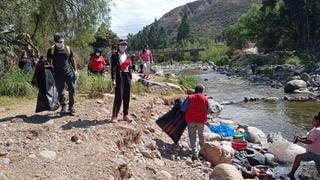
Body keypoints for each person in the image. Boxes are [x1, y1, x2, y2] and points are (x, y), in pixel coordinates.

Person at [181, 84, 215, 160]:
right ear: (202, 91)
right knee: (201, 135)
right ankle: (202, 151)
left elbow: (183, 108)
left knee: (192, 136)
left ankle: (194, 153)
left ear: (195, 91)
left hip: (191, 119)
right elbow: (209, 110)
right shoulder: (205, 98)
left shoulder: (190, 97)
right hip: (201, 120)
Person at [47, 33, 78, 115]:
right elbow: (49, 62)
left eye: (62, 42)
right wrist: (49, 72)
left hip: (69, 73)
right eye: (59, 42)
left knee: (72, 89)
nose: (61, 43)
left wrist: (75, 70)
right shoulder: (51, 50)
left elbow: (72, 59)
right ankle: (63, 107)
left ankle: (71, 107)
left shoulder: (68, 48)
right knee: (60, 91)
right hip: (58, 75)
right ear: (55, 42)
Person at [287, 112, 320, 178]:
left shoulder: (317, 130)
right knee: (319, 169)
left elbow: (310, 141)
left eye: (313, 121)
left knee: (298, 157)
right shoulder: (315, 128)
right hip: (316, 153)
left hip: (314, 154)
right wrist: (299, 138)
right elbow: (308, 137)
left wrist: (298, 140)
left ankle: (291, 174)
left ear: (318, 121)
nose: (311, 122)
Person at [110, 39, 132, 123]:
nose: (123, 46)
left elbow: (130, 67)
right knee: (119, 96)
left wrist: (130, 77)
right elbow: (113, 69)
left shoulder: (128, 55)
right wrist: (113, 79)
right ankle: (114, 115)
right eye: (122, 45)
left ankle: (125, 115)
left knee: (127, 96)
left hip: (127, 77)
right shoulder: (114, 55)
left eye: (125, 45)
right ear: (118, 46)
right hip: (119, 77)